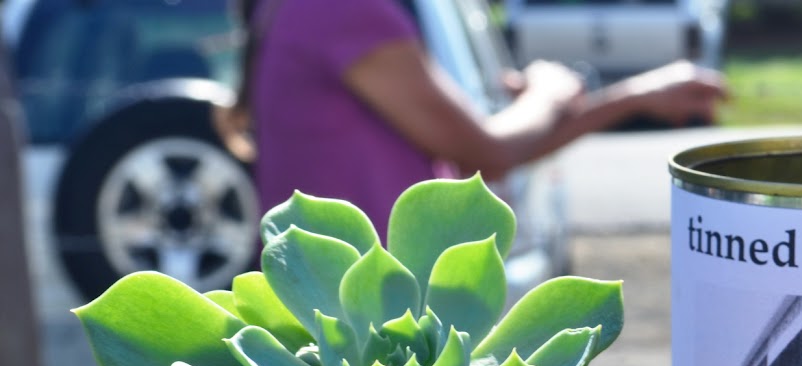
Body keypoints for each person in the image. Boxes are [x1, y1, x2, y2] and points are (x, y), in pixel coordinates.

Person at [224, 0, 726, 233]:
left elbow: (479, 154)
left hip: (343, 298)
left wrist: (633, 97)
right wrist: (550, 91)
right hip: (368, 312)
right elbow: (490, 151)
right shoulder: (346, 11)